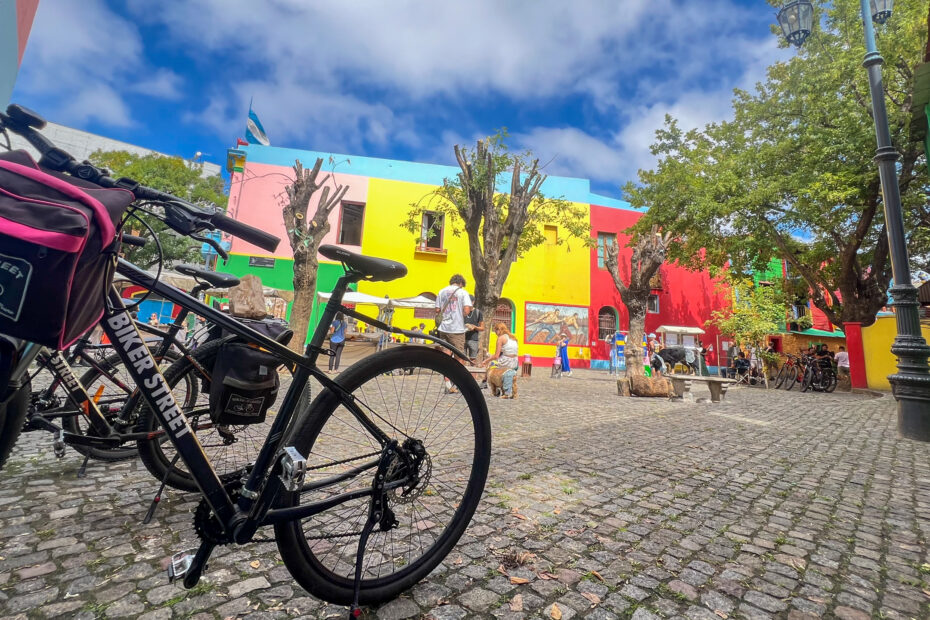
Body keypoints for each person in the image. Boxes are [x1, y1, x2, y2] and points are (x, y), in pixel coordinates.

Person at [435, 274, 472, 357]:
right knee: (459, 355)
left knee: (445, 352)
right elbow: (466, 310)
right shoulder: (463, 292)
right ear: (461, 283)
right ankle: (457, 370)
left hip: (443, 328)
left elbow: (437, 310)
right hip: (457, 329)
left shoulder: (441, 291)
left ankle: (445, 369)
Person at [485, 322, 520, 398]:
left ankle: (496, 389)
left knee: (491, 367)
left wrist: (485, 361)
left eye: (495, 331)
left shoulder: (500, 338)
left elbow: (496, 355)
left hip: (506, 362)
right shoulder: (513, 337)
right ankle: (508, 391)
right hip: (515, 362)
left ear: (499, 330)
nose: (495, 333)